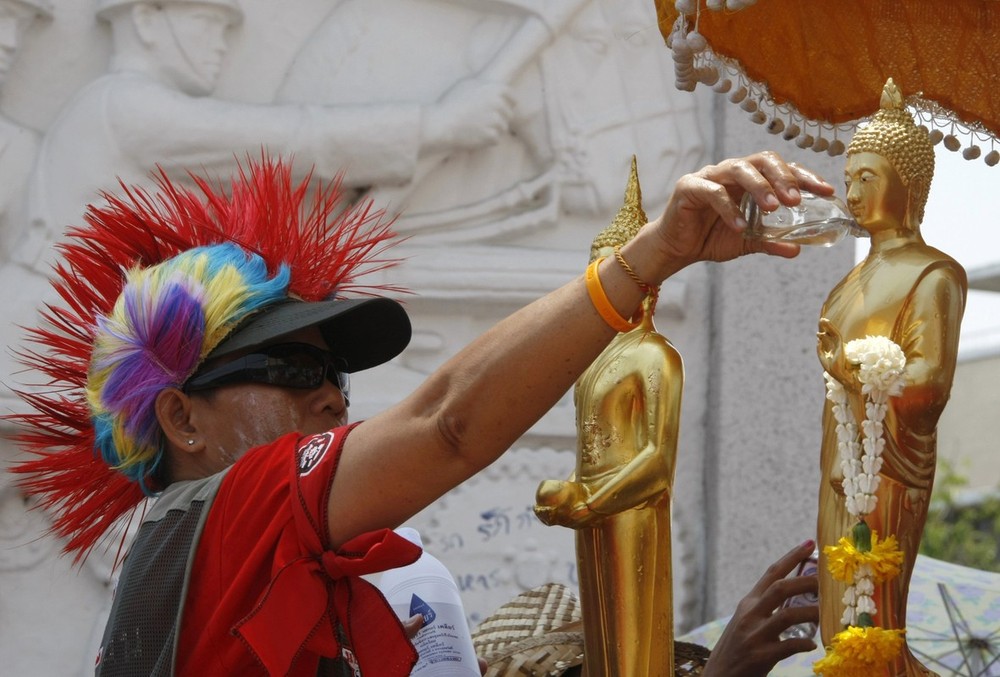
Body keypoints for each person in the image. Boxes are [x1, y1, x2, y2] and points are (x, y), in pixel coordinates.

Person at [8, 150, 831, 676]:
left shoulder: (359, 574)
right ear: (183, 420)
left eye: (335, 375)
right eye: (293, 370)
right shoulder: (216, 517)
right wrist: (649, 258)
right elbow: (448, 425)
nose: (330, 395)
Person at [16, 0, 512, 275]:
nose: (222, 42)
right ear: (148, 18)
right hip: (48, 342)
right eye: (206, 22)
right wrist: (436, 125)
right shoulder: (123, 105)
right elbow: (284, 145)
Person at [816, 79, 967, 675]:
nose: (851, 193)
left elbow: (930, 381)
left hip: (889, 463)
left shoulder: (933, 274)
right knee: (836, 622)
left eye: (868, 178)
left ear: (908, 185)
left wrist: (853, 369)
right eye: (849, 178)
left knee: (872, 622)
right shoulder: (848, 282)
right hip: (839, 458)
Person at [534, 156, 682, 674]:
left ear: (648, 286)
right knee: (600, 646)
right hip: (592, 511)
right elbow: (592, 448)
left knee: (633, 646)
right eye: (596, 279)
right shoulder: (592, 364)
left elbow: (657, 462)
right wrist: (568, 494)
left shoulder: (654, 355)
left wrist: (592, 499)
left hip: (631, 510)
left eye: (615, 277)